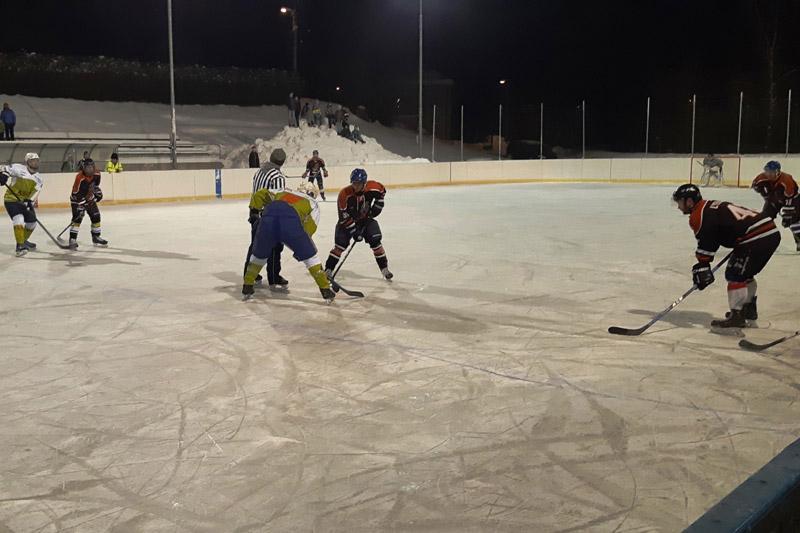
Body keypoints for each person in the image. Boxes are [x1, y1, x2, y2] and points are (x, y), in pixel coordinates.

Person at [672, 183, 780, 328]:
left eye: (680, 202)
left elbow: (707, 241)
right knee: (745, 274)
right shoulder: (708, 206)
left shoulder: (698, 216)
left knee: (735, 274)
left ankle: (737, 317)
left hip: (756, 237)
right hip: (769, 232)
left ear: (689, 202)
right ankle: (747, 310)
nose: (679, 206)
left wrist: (703, 264)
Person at [243, 181, 335, 303]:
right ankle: (325, 289)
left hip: (268, 216)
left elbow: (260, 194)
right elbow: (309, 228)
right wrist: (301, 248)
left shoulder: (283, 191)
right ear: (313, 194)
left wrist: (254, 212)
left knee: (260, 254)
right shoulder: (313, 203)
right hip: (290, 221)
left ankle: (247, 285)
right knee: (311, 257)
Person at [325, 168, 392, 280]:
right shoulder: (344, 194)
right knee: (339, 246)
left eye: (359, 184)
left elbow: (382, 191)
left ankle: (384, 269)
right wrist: (354, 231)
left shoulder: (373, 187)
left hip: (365, 220)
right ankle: (328, 269)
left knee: (376, 242)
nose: (355, 186)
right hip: (347, 221)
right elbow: (343, 217)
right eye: (354, 183)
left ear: (364, 183)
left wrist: (377, 207)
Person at [245, 148, 289, 289]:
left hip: (254, 212)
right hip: (269, 215)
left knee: (255, 245)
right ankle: (274, 277)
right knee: (276, 246)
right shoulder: (277, 177)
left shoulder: (259, 171)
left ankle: (250, 274)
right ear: (282, 162)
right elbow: (278, 199)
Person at [751, 160, 800, 251]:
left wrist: (788, 214)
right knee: (765, 219)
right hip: (774, 200)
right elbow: (756, 187)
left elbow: (790, 197)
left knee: (793, 221)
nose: (768, 174)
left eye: (771, 172)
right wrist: (767, 197)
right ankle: (761, 240)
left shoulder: (787, 180)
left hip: (792, 200)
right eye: (767, 171)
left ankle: (799, 239)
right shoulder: (760, 178)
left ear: (778, 172)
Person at [0, 153, 42, 256]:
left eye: (37, 160)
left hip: (24, 202)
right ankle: (19, 246)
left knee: (32, 223)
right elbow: (4, 168)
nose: (35, 162)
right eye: (33, 160)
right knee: (19, 219)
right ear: (27, 162)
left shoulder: (39, 178)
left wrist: (29, 202)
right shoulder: (18, 168)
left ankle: (23, 240)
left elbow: (36, 193)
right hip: (11, 200)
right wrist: (4, 175)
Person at [68, 159, 107, 248]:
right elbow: (75, 194)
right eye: (87, 168)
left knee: (96, 216)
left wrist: (96, 194)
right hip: (77, 200)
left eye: (91, 167)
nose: (89, 170)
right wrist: (81, 206)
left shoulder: (97, 174)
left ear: (94, 167)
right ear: (83, 168)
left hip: (89, 198)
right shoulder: (79, 178)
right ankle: (72, 239)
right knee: (77, 218)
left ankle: (96, 236)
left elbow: (95, 186)